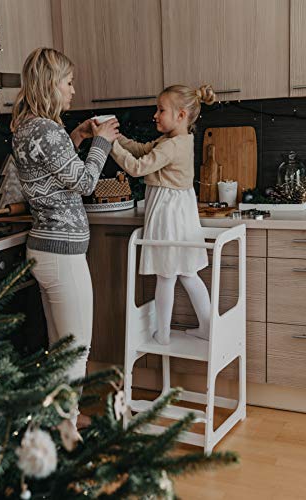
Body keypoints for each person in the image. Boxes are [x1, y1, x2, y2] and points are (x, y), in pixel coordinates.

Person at [10, 48, 119, 419]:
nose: (73, 90)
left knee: (60, 350)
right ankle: (68, 436)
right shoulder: (46, 128)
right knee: (76, 352)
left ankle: (58, 426)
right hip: (63, 255)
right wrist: (102, 139)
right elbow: (85, 183)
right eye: (68, 83)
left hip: (42, 250)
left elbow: (52, 173)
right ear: (50, 84)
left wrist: (76, 134)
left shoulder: (25, 127)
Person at [110, 84, 215, 345]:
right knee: (187, 273)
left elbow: (136, 167)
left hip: (169, 212)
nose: (155, 115)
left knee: (166, 274)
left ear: (181, 115)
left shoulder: (171, 146)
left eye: (161, 110)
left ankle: (164, 334)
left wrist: (109, 144)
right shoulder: (173, 141)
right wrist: (117, 138)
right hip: (178, 211)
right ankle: (207, 326)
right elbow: (141, 149)